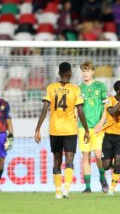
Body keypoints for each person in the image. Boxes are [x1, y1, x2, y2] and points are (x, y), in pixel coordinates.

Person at [34, 62, 90, 199]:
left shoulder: (51, 88)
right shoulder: (76, 89)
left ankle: (58, 191)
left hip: (55, 130)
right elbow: (81, 112)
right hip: (70, 130)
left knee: (57, 161)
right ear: (70, 73)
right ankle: (66, 189)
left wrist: (37, 129)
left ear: (59, 73)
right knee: (69, 161)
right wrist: (87, 130)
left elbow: (44, 109)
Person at [79, 61, 108, 193]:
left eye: (88, 70)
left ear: (92, 71)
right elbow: (76, 109)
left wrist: (101, 122)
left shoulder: (101, 86)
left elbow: (107, 106)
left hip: (98, 127)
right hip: (83, 128)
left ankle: (102, 177)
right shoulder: (78, 89)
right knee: (86, 156)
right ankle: (88, 187)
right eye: (83, 71)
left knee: (98, 155)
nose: (85, 73)